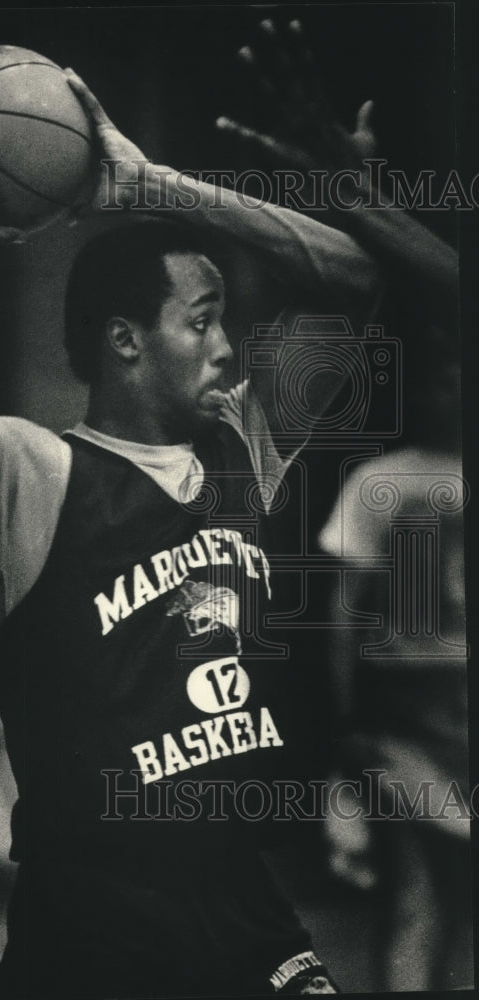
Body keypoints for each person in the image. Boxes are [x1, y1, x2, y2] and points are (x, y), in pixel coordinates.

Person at [0, 65, 380, 998]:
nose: (228, 346)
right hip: (94, 925)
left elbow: (357, 279)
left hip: (242, 905)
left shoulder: (243, 446)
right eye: (202, 320)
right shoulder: (35, 474)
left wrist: (158, 186)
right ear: (124, 342)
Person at [217, 17, 469, 992]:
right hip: (420, 724)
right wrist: (348, 740)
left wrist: (364, 203)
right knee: (417, 900)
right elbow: (378, 631)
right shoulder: (397, 487)